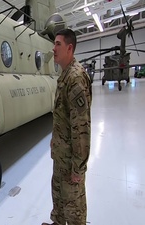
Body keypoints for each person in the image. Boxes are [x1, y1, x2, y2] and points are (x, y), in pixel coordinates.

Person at [42, 29, 92, 225]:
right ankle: (58, 222)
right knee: (59, 196)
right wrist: (55, 139)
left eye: (58, 44)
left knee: (74, 207)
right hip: (61, 155)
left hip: (72, 159)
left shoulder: (76, 78)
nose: (53, 48)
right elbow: (64, 117)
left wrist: (78, 168)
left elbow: (82, 129)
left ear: (69, 48)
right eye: (54, 44)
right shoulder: (65, 76)